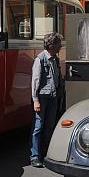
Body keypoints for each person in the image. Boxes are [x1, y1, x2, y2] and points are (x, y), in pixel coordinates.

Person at [30, 32, 63, 168]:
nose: (60, 46)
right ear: (51, 45)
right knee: (38, 127)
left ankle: (45, 154)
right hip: (42, 98)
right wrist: (35, 100)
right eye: (58, 44)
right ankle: (35, 156)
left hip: (53, 97)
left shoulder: (54, 59)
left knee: (49, 126)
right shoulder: (40, 59)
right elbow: (35, 81)